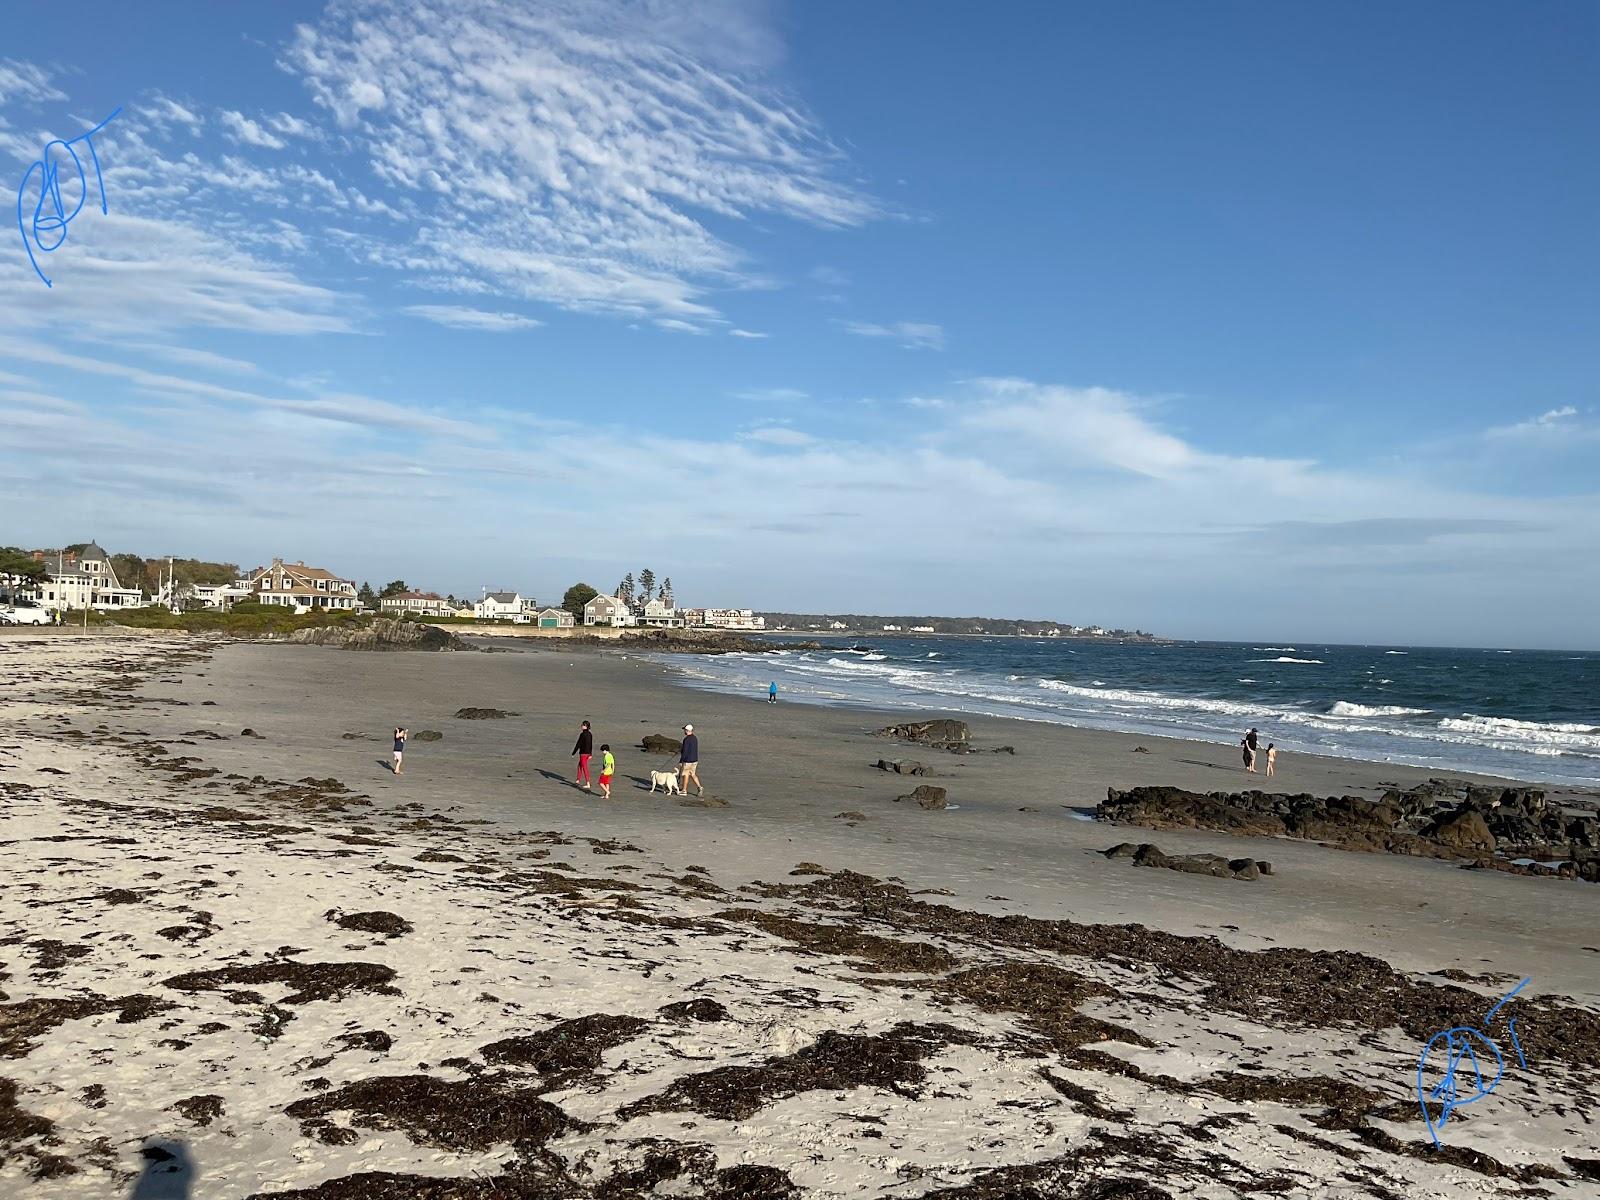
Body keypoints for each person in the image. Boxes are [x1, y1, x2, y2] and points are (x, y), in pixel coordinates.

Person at [678, 723, 703, 796]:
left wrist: (681, 761)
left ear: (687, 730)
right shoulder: (695, 738)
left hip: (687, 760)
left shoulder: (686, 739)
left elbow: (685, 751)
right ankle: (699, 787)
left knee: (685, 774)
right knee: (692, 774)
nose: (684, 731)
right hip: (695, 759)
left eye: (684, 730)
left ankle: (684, 790)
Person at [572, 720, 594, 790]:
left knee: (584, 767)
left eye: (583, 725)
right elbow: (591, 744)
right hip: (587, 753)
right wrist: (590, 754)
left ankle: (588, 783)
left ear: (586, 726)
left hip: (583, 753)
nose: (581, 726)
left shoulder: (582, 734)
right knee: (580, 766)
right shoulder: (590, 734)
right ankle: (577, 780)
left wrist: (574, 752)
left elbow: (579, 744)